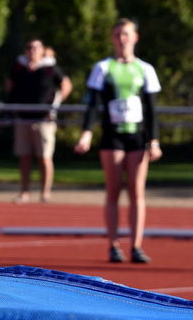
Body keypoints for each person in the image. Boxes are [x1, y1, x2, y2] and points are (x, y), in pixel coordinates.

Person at [74, 18, 162, 264]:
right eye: (117, 35)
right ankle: (113, 245)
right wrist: (86, 132)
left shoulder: (145, 69)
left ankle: (136, 245)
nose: (122, 39)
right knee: (113, 190)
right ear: (113, 39)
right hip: (112, 136)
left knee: (136, 191)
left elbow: (152, 110)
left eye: (126, 34)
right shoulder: (103, 67)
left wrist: (154, 140)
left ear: (135, 37)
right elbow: (92, 104)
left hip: (137, 137)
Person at [6, 38, 71, 203]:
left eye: (36, 47)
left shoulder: (50, 68)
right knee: (24, 156)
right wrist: (13, 104)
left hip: (44, 119)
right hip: (23, 118)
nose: (32, 50)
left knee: (45, 157)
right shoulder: (19, 68)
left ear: (42, 50)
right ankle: (24, 192)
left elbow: (66, 85)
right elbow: (9, 85)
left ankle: (45, 193)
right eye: (29, 47)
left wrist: (55, 105)